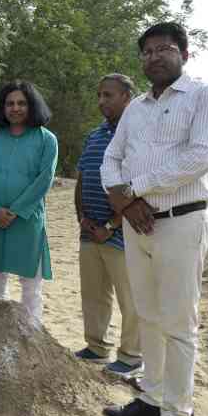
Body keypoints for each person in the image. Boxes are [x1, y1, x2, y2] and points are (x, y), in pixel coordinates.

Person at [100, 22, 208, 416]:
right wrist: (124, 203)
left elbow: (198, 159)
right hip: (136, 223)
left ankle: (177, 414)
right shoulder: (136, 107)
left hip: (181, 220)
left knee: (178, 320)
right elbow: (111, 158)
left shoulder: (206, 97)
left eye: (165, 49)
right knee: (147, 314)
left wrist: (134, 190)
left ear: (185, 54)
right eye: (148, 51)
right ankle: (152, 398)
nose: (155, 56)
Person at [74, 74, 142, 376]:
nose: (101, 101)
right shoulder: (95, 135)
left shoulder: (139, 136)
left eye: (108, 95)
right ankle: (97, 346)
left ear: (127, 97)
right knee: (94, 293)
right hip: (89, 232)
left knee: (131, 298)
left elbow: (138, 188)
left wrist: (111, 225)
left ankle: (130, 356)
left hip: (122, 233)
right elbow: (83, 178)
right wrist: (83, 218)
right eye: (99, 95)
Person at [0, 81, 58, 324]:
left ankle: (32, 334)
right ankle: (0, 334)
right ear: (2, 107)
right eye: (10, 103)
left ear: (32, 106)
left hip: (27, 219)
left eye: (22, 103)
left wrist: (16, 211)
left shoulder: (47, 139)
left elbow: (45, 180)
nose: (15, 108)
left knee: (31, 285)